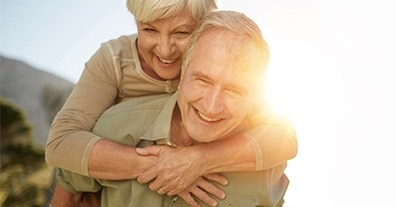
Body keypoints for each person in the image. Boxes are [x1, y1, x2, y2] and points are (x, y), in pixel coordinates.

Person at [46, 0, 297, 205]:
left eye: (181, 32)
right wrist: (164, 166)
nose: (165, 51)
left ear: (202, 27)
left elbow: (284, 139)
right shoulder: (114, 61)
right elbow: (61, 144)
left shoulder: (224, 58)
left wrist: (199, 160)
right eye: (149, 30)